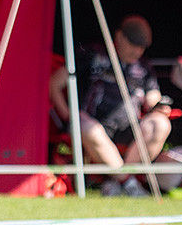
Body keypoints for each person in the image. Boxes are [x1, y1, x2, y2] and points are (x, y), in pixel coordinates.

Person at [50, 15, 172, 197]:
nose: (137, 51)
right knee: (89, 128)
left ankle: (115, 183)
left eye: (142, 47)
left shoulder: (144, 66)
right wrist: (68, 115)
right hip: (92, 125)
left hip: (129, 129)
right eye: (133, 45)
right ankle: (128, 184)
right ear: (119, 37)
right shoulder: (92, 54)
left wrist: (160, 107)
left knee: (161, 124)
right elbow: (54, 84)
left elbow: (152, 97)